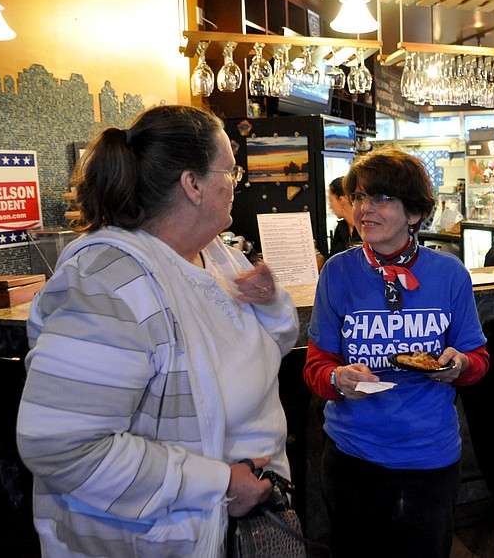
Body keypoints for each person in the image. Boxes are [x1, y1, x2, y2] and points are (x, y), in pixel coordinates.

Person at [16, 105, 300, 557]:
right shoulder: (108, 283)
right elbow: (62, 447)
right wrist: (221, 483)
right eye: (230, 170)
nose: (235, 182)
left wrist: (270, 302)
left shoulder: (219, 256)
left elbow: (270, 348)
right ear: (193, 185)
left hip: (240, 524)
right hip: (156, 542)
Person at [302, 148, 489, 557]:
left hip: (430, 455)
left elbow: (478, 362)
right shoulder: (337, 272)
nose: (365, 208)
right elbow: (316, 366)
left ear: (415, 214)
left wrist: (458, 365)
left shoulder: (450, 274)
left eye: (382, 198)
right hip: (352, 455)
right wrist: (337, 379)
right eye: (359, 198)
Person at [327, 175, 361, 257]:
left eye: (331, 200)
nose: (330, 206)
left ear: (341, 200)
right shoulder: (341, 227)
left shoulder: (365, 227)